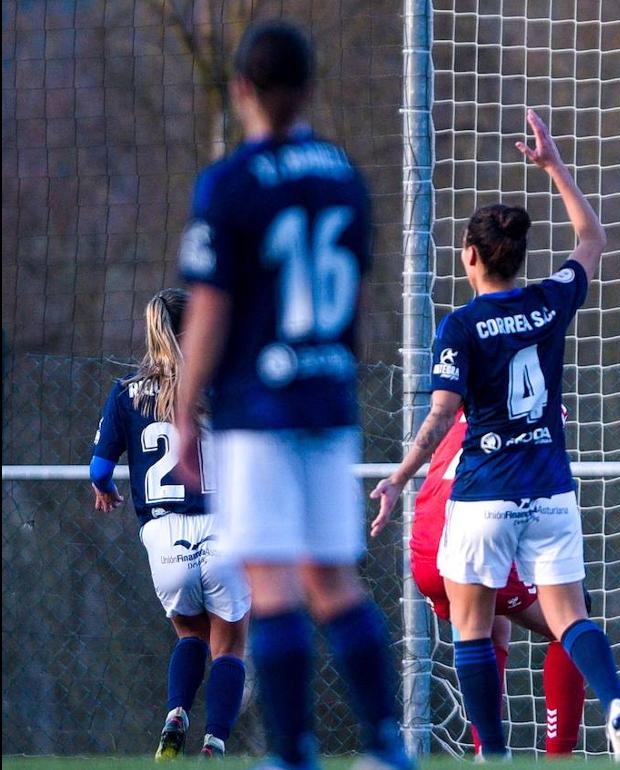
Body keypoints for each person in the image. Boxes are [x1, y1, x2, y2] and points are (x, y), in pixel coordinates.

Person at [371, 109, 620, 761]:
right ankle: (617, 708)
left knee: (472, 629)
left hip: (484, 496)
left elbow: (440, 416)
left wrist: (399, 475)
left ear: (470, 256)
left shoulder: (461, 326)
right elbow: (592, 238)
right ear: (520, 256)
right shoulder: (550, 301)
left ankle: (492, 756)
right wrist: (553, 166)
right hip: (550, 489)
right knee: (570, 619)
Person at [173, 20, 409, 770]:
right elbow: (358, 299)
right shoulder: (344, 174)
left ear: (241, 88)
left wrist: (183, 412)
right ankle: (385, 743)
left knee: (273, 584)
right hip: (326, 399)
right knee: (333, 580)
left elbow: (209, 309)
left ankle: (295, 753)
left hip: (258, 408)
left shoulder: (232, 182)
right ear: (309, 89)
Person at [89, 288, 251, 760]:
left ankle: (176, 712)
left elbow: (99, 470)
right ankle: (214, 741)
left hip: (163, 535)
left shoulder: (126, 392)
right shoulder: (223, 382)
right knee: (230, 647)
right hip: (223, 526)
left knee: (191, 636)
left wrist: (107, 489)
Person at [409, 406, 585, 757]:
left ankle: (486, 754)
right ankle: (560, 758)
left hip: (424, 555)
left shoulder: (456, 407)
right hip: (469, 539)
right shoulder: (534, 405)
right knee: (570, 627)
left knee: (490, 626)